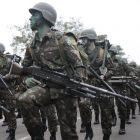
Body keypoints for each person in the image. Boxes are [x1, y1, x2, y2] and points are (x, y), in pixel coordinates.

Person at [12, 2, 85, 140]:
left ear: (45, 16)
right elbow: (24, 69)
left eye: (34, 15)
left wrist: (78, 81)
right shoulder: (31, 45)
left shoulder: (63, 39)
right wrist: (25, 80)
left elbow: (79, 65)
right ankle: (37, 135)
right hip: (46, 87)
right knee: (24, 99)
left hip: (65, 89)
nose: (30, 18)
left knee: (68, 133)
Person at [78, 29, 113, 140]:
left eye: (84, 39)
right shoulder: (79, 52)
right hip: (87, 85)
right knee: (83, 105)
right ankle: (89, 131)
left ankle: (106, 135)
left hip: (102, 85)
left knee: (106, 113)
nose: (82, 41)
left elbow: (112, 69)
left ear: (90, 39)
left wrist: (105, 75)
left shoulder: (102, 52)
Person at [0, 43, 19, 140]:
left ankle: (12, 134)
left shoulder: (9, 62)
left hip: (8, 89)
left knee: (10, 111)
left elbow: (18, 74)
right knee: (5, 111)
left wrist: (7, 77)